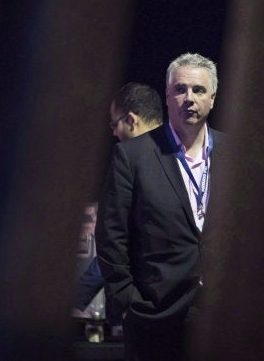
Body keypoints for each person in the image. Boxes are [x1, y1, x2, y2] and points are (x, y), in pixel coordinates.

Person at [95, 53, 227, 360]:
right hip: (154, 316)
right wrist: (127, 302)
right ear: (167, 98)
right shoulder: (134, 155)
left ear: (213, 99)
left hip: (220, 318)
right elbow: (111, 235)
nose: (189, 99)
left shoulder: (236, 153)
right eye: (180, 90)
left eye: (198, 91)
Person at [73, 82, 164, 328]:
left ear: (132, 120)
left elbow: (113, 242)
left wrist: (76, 298)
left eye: (115, 124)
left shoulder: (129, 161)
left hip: (142, 310)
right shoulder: (192, 157)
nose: (113, 133)